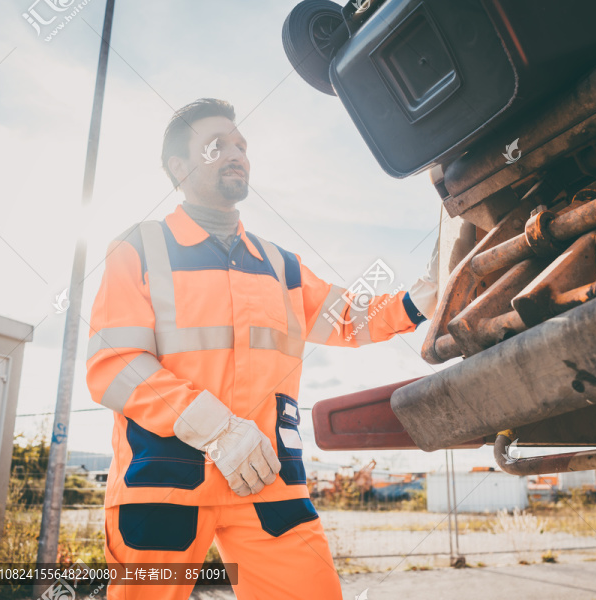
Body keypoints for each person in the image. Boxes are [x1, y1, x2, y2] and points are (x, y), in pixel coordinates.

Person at [85, 98, 439, 600]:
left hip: (268, 481)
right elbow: (114, 366)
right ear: (179, 168)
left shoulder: (279, 264)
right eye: (217, 145)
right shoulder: (141, 248)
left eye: (241, 145)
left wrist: (419, 299)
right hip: (162, 483)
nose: (236, 154)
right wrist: (220, 432)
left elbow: (350, 318)